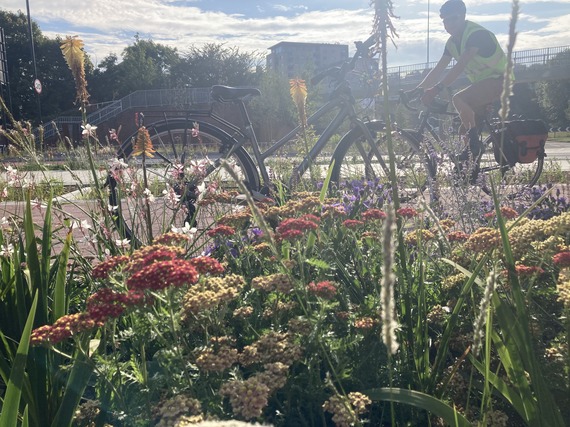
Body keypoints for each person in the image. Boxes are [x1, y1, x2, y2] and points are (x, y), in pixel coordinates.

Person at [417, 0, 509, 164]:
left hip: (499, 79)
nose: (449, 24)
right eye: (445, 20)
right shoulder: (452, 43)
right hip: (482, 84)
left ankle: (474, 146)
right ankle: (471, 169)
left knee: (458, 99)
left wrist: (437, 88)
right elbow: (439, 69)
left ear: (463, 16)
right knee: (463, 130)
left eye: (453, 18)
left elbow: (460, 66)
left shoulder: (476, 34)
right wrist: (417, 90)